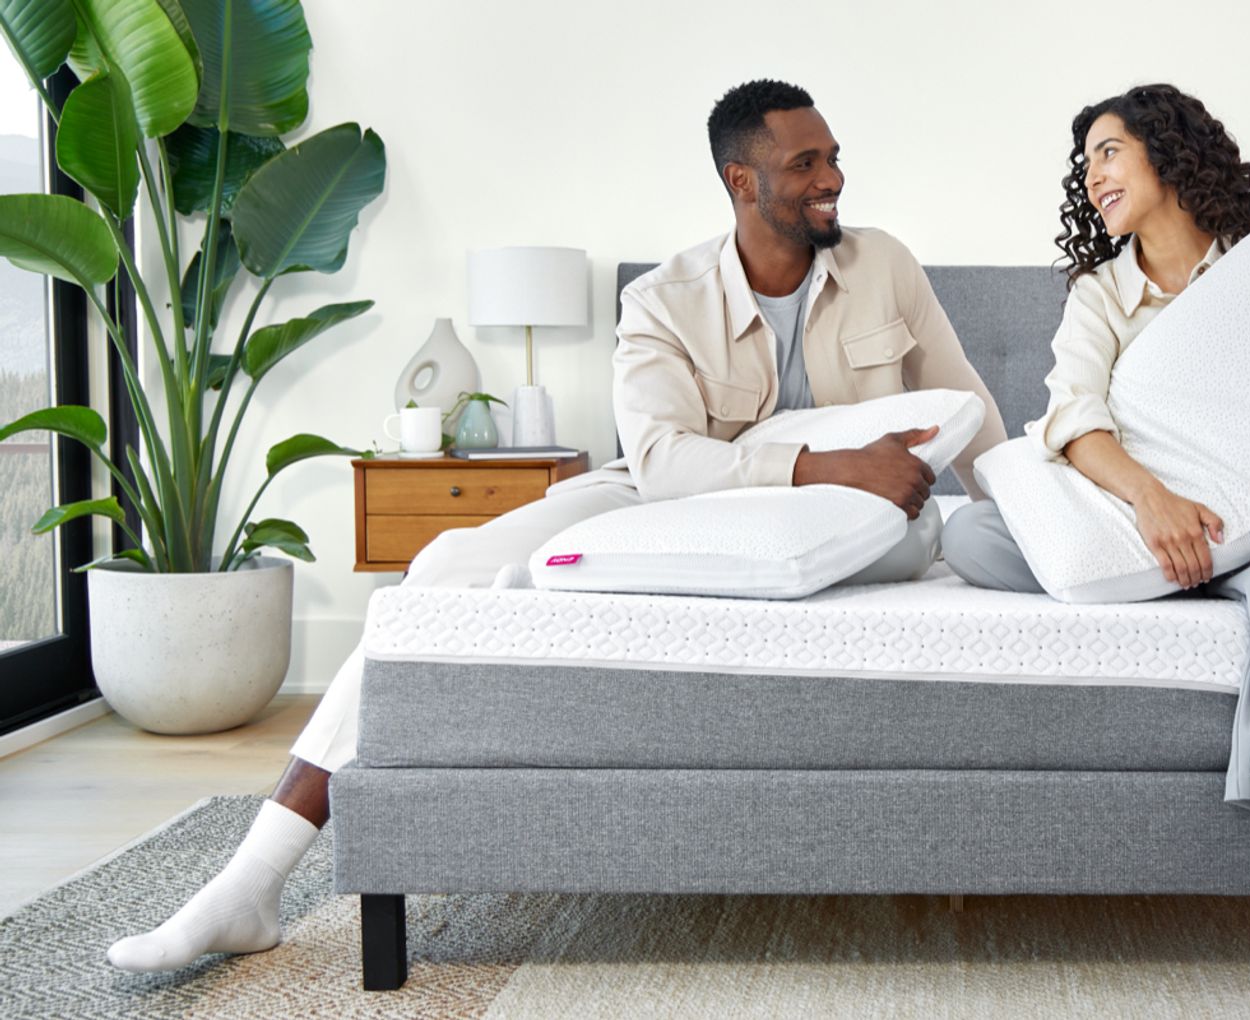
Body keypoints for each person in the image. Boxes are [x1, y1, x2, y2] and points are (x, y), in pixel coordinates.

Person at [106, 79, 1008, 972]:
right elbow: (662, 461)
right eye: (804, 163)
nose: (832, 179)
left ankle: (252, 879)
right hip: (672, 499)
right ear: (741, 181)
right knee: (444, 566)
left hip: (855, 515)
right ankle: (253, 882)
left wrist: (1015, 517)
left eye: (834, 158)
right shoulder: (662, 300)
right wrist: (821, 461)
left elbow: (970, 404)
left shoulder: (884, 264)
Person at [942, 84, 1250, 928]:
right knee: (971, 534)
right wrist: (1152, 503)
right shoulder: (1100, 295)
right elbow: (1075, 418)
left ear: (1169, 154)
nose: (1093, 173)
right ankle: (1178, 567)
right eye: (1086, 162)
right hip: (1128, 519)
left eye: (1109, 151)